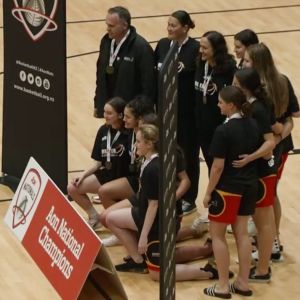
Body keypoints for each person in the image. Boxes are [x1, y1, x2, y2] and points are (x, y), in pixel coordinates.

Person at [106, 125, 228, 281]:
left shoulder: (153, 168)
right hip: (150, 213)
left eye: (138, 141)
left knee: (157, 274)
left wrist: (143, 236)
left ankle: (208, 272)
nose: (135, 145)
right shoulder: (151, 160)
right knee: (111, 218)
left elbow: (154, 205)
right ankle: (139, 260)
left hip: (159, 223)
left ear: (150, 144)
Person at [243, 43, 300, 261]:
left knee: (268, 196)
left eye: (247, 60)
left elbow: (287, 118)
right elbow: (293, 115)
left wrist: (276, 136)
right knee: (269, 193)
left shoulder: (263, 91)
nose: (244, 63)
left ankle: (272, 242)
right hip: (277, 146)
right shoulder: (282, 79)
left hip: (268, 149)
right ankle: (270, 240)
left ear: (257, 63)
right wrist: (281, 134)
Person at [203, 86, 260, 298]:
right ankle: (243, 283)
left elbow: (217, 167)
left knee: (217, 236)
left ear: (231, 105)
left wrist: (208, 192)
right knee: (242, 234)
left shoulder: (223, 131)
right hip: (250, 185)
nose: (217, 105)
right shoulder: (253, 124)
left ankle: (223, 286)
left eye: (220, 102)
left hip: (228, 189)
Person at [233, 68, 277, 282]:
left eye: (235, 81)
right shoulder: (252, 105)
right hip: (259, 170)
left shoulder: (257, 109)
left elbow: (270, 142)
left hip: (263, 172)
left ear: (243, 86)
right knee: (261, 222)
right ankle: (262, 265)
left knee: (264, 223)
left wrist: (250, 157)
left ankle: (262, 270)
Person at [154, 10, 200, 215]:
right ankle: (168, 190)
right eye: (168, 24)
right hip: (164, 111)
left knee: (188, 154)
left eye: (173, 25)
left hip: (186, 114)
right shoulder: (163, 45)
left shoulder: (195, 49)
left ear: (185, 27)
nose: (169, 29)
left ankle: (189, 198)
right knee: (166, 152)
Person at [67, 97, 129, 230]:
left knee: (104, 192)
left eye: (109, 113)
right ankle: (94, 217)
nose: (105, 115)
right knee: (72, 188)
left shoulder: (129, 133)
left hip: (123, 176)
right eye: (104, 112)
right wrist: (83, 175)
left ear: (120, 115)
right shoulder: (103, 130)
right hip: (106, 173)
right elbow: (98, 163)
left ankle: (117, 225)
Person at [98, 96, 153, 246]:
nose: (124, 120)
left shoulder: (146, 139)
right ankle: (121, 231)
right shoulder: (131, 134)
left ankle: (128, 234)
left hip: (141, 184)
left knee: (105, 196)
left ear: (139, 118)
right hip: (135, 180)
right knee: (104, 212)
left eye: (128, 117)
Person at [93, 6, 156, 117]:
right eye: (107, 25)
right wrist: (98, 103)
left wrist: (137, 112)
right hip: (111, 110)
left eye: (111, 26)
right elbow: (100, 74)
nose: (108, 29)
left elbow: (148, 86)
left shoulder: (141, 48)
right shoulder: (106, 42)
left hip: (130, 113)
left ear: (124, 26)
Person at [195, 31, 236, 171]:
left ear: (216, 49)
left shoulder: (229, 71)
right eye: (200, 47)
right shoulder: (201, 64)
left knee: (220, 169)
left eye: (205, 48)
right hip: (202, 128)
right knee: (210, 166)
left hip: (220, 130)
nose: (201, 51)